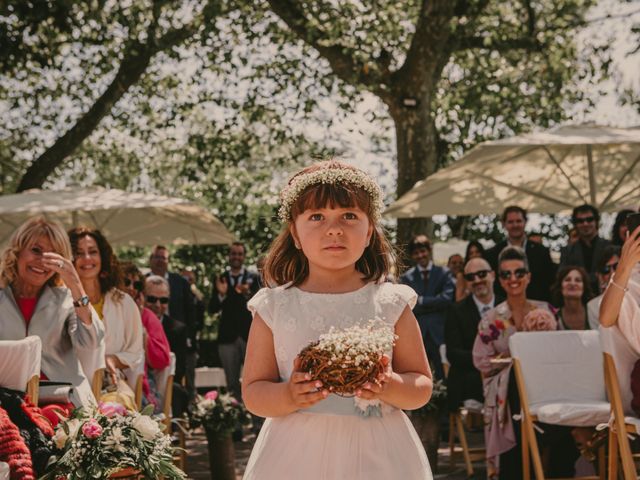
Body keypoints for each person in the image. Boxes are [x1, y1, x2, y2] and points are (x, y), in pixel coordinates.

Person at [242, 160, 432, 479]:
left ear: (369, 231)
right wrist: (287, 395)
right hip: (296, 454)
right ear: (295, 234)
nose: (334, 228)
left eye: (349, 216)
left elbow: (422, 384)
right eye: (317, 217)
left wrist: (390, 384)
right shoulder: (274, 306)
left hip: (379, 451)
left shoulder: (391, 302)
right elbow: (253, 391)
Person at [472, 246, 574, 479]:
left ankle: (556, 464)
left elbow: (559, 352)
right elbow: (481, 361)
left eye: (519, 272)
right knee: (517, 383)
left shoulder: (545, 311)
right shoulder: (490, 320)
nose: (513, 279)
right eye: (506, 274)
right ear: (499, 279)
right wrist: (513, 361)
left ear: (528, 276)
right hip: (508, 391)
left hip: (547, 387)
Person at [0, 217, 104, 408]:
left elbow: (92, 342)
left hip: (60, 400)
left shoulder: (67, 299)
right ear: (17, 251)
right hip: (7, 401)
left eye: (52, 255)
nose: (42, 261)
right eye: (36, 250)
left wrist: (75, 284)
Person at [68, 228, 144, 409]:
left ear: (103, 257)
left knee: (117, 410)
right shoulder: (59, 301)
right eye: (79, 253)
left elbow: (135, 351)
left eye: (93, 252)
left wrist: (112, 360)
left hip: (111, 386)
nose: (87, 258)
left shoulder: (123, 302)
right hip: (71, 387)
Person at [444, 257, 501, 413]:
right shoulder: (456, 311)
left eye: (482, 274)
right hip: (471, 379)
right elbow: (453, 354)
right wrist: (488, 361)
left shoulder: (506, 306)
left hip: (505, 375)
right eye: (470, 277)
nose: (477, 280)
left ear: (493, 275)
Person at [208, 242, 260, 402]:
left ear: (244, 257)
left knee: (255, 380)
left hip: (249, 336)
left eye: (239, 254)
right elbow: (211, 309)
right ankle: (236, 422)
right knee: (231, 383)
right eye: (233, 254)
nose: (236, 257)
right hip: (227, 337)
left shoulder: (254, 278)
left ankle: (256, 421)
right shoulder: (220, 278)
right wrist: (221, 294)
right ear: (229, 256)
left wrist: (247, 294)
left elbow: (261, 305)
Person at [121, 261, 171, 411]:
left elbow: (163, 359)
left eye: (136, 285)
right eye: (126, 282)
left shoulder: (147, 317)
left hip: (137, 382)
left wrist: (143, 333)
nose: (131, 288)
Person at [149, 245, 196, 396]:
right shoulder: (142, 281)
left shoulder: (179, 282)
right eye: (157, 257)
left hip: (174, 333)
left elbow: (191, 310)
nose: (160, 261)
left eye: (163, 258)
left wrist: (190, 335)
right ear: (150, 260)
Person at [485, 206, 556, 302]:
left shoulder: (541, 252)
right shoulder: (492, 254)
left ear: (525, 222)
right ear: (504, 224)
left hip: (537, 308)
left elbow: (549, 282)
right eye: (510, 222)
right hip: (503, 310)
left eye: (518, 221)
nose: (515, 225)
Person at [560, 204, 611, 291]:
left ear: (596, 221)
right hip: (578, 300)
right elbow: (562, 276)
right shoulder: (568, 250)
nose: (585, 223)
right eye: (580, 221)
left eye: (589, 219)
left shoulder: (609, 247)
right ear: (575, 224)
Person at [586, 246, 621, 329]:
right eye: (606, 269)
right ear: (600, 276)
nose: (612, 273)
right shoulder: (593, 306)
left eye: (617, 266)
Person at [550, 266, 593, 330]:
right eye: (567, 280)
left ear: (584, 287)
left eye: (578, 280)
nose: (572, 284)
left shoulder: (594, 312)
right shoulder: (553, 317)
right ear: (560, 287)